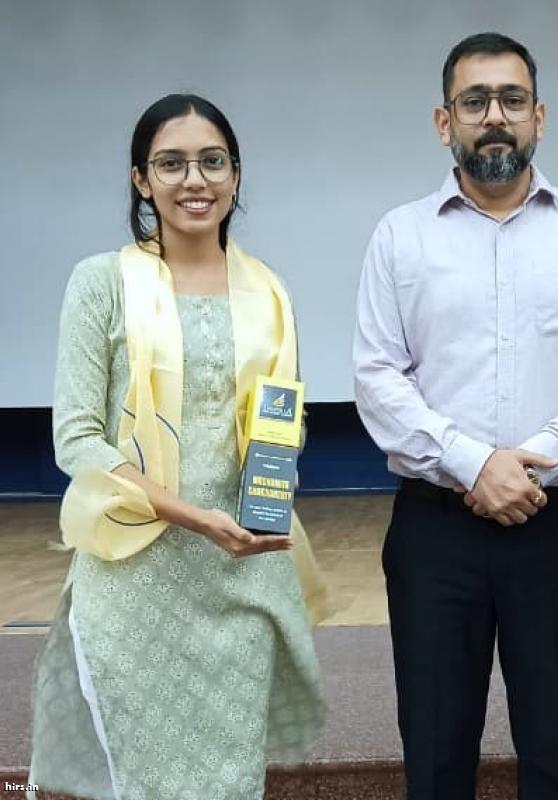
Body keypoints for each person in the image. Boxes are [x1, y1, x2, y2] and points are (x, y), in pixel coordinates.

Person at [353, 32, 558, 800]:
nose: (494, 116)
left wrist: (533, 459)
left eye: (512, 100)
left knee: (556, 755)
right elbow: (377, 376)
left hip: (554, 527)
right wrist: (474, 463)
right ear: (443, 121)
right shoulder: (399, 236)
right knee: (434, 756)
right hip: (434, 530)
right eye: (474, 101)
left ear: (538, 117)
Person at [28, 94, 327, 800]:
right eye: (171, 164)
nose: (195, 180)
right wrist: (193, 517)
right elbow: (77, 438)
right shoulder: (102, 283)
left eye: (212, 161)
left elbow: (281, 418)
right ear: (141, 180)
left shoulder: (268, 291)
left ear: (235, 174)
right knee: (147, 782)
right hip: (133, 580)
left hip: (241, 572)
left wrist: (272, 482)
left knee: (231, 781)